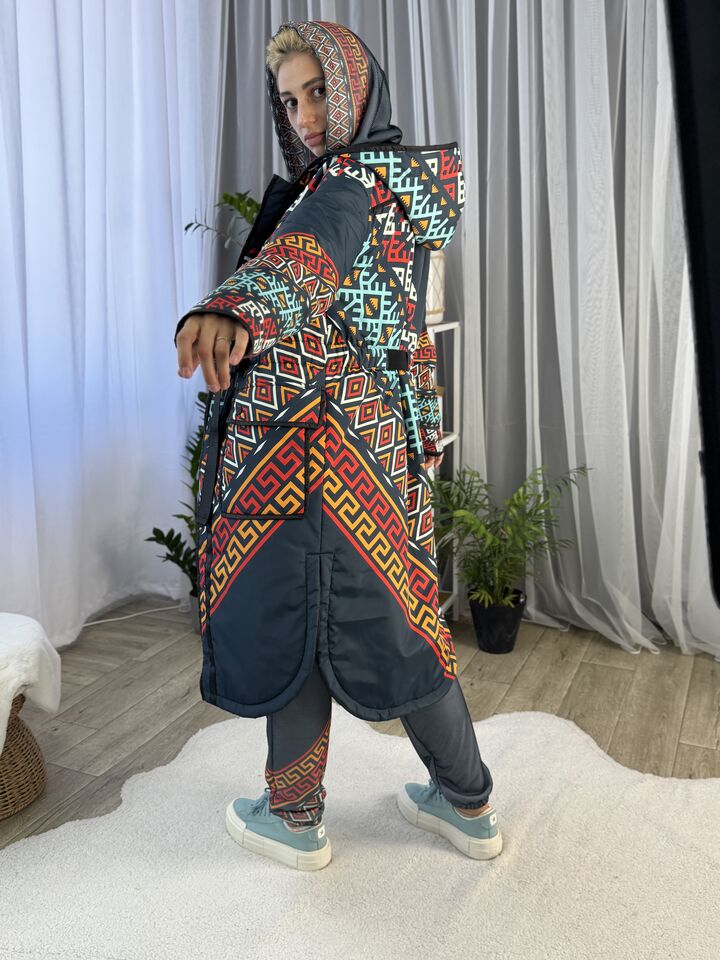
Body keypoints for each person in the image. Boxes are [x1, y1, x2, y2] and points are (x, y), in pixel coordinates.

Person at [174, 20, 502, 872]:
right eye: (290, 101)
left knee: (302, 614)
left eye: (319, 91)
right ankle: (467, 801)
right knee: (401, 619)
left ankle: (294, 817)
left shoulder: (350, 182)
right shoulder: (394, 180)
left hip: (317, 446)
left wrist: (235, 310)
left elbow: (309, 254)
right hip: (378, 445)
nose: (307, 116)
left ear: (357, 85)